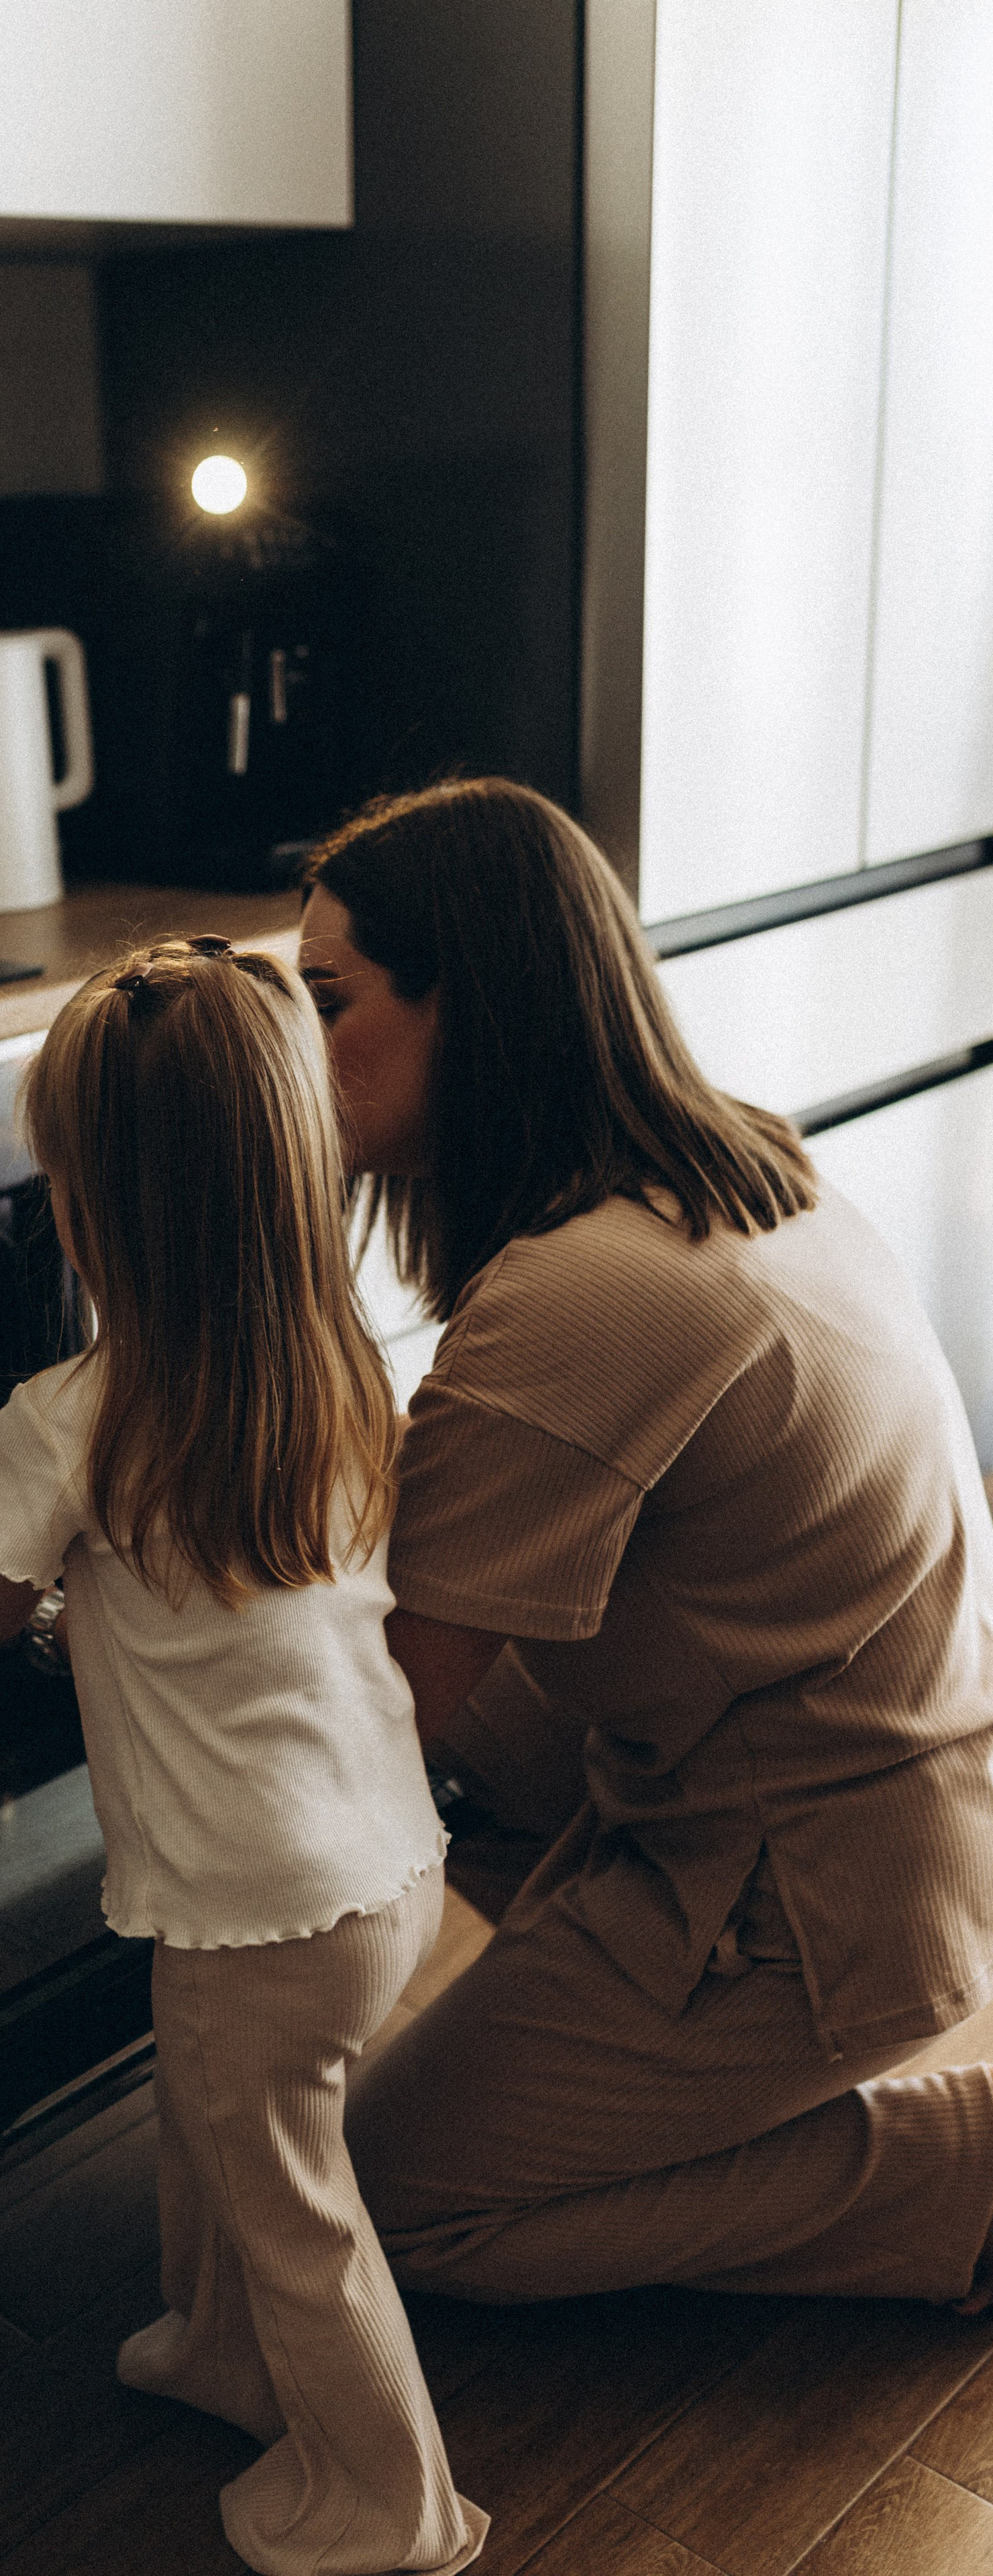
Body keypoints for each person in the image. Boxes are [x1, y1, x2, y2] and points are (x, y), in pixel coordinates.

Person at [293, 777, 993, 2310]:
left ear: (462, 1006)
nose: (298, 1044)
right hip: (886, 1794)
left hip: (811, 1894)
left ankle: (962, 2182)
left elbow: (376, 1708)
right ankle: (636, 2010)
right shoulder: (730, 1160)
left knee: (386, 2220)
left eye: (324, 1000)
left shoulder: (577, 1295)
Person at [0, 937, 488, 2576]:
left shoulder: (65, 1420)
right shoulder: (338, 1376)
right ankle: (215, 2352)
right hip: (385, 1865)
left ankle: (388, 2500)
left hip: (253, 1909)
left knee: (288, 2198)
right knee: (226, 2129)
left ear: (89, 1212)